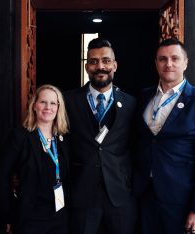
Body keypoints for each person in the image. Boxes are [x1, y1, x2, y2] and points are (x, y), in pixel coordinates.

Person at [133, 37, 195, 234]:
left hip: (182, 201)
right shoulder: (143, 97)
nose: (168, 64)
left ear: (186, 62)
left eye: (175, 58)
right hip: (145, 197)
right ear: (156, 63)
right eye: (162, 59)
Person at [64, 38, 137, 234]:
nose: (100, 66)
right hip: (81, 194)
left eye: (105, 60)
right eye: (94, 61)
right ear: (87, 66)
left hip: (120, 196)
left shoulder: (131, 103)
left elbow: (136, 147)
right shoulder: (67, 101)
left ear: (115, 65)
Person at [0, 84, 70, 234]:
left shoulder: (63, 139)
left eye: (52, 103)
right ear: (34, 106)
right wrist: (7, 216)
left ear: (58, 108)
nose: (47, 107)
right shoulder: (19, 137)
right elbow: (2, 177)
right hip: (29, 217)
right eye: (43, 102)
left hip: (59, 216)